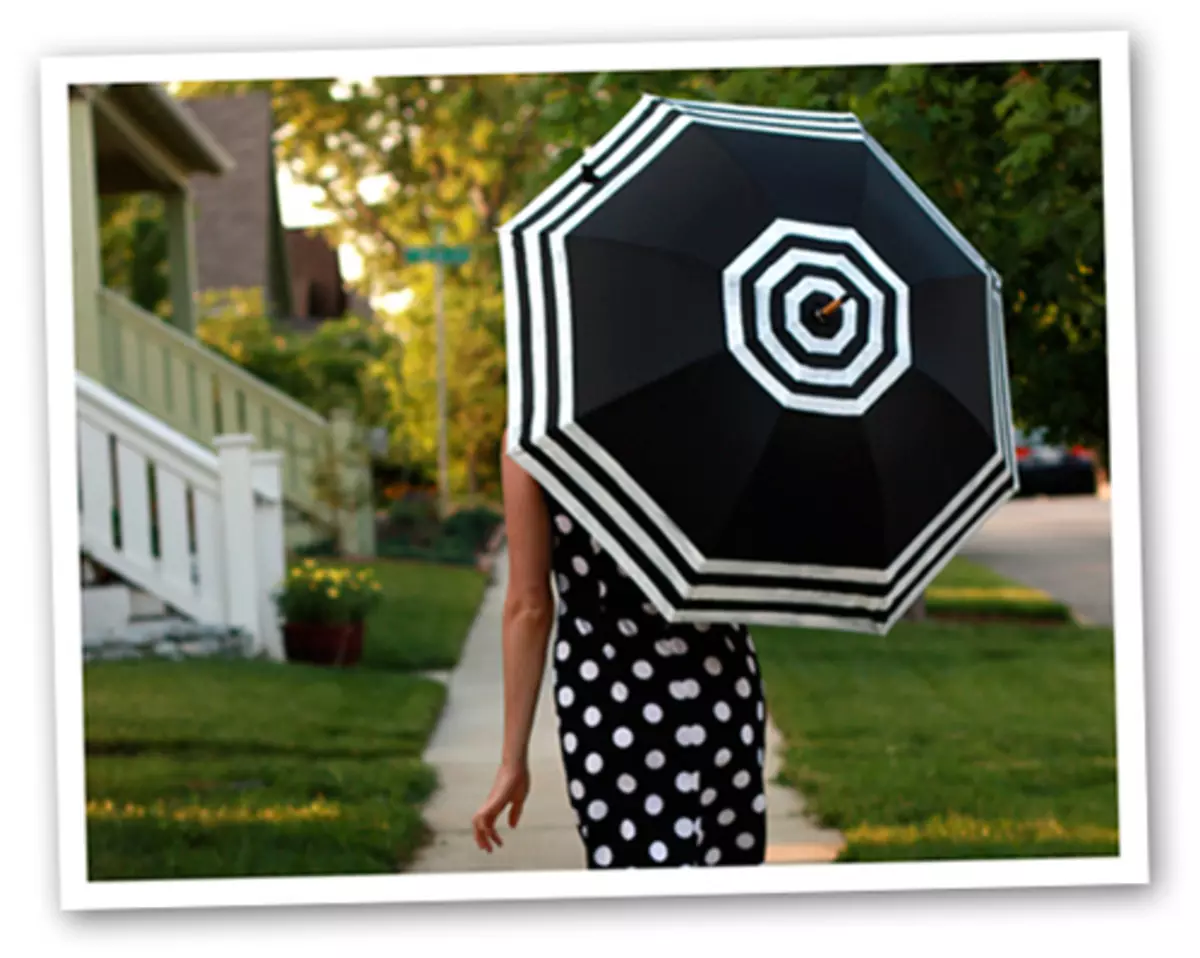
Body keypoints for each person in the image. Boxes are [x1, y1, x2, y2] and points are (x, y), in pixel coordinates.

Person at [471, 431, 768, 869]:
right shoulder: (710, 411)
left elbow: (528, 607)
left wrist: (511, 760)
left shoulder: (536, 428)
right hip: (720, 684)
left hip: (610, 698)